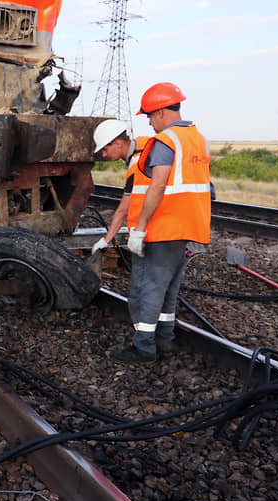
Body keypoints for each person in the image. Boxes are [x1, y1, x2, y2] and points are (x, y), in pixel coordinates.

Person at [109, 82, 212, 364]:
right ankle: (165, 341)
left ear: (162, 112)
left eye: (150, 116)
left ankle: (144, 347)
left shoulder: (166, 141)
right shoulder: (197, 139)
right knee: (168, 290)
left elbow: (157, 186)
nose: (150, 123)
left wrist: (139, 229)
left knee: (147, 289)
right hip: (186, 228)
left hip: (162, 228)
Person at [90, 119, 149, 254]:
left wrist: (106, 240)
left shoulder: (137, 166)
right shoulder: (145, 144)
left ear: (118, 143)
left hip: (150, 234)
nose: (104, 155)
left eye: (105, 149)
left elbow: (123, 210)